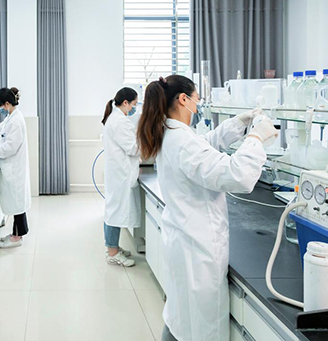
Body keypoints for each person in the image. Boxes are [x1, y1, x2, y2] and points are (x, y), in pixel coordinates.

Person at [136, 75, 278, 341]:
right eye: (197, 99)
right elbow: (238, 175)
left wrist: (240, 123)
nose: (198, 104)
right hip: (197, 249)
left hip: (183, 241)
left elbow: (206, 145)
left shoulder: (174, 133)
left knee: (181, 318)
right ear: (183, 99)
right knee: (201, 327)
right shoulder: (182, 141)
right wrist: (256, 138)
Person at [0, 87, 32, 249]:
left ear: (7, 104)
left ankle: (17, 237)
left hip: (14, 169)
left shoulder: (16, 121)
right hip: (10, 168)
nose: (0, 109)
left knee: (17, 205)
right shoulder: (10, 118)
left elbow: (11, 146)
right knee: (17, 204)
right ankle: (16, 234)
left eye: (1, 106)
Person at [101, 87, 140, 267]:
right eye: (134, 104)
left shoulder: (115, 118)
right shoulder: (120, 121)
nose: (134, 108)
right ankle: (112, 253)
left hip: (117, 172)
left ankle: (113, 247)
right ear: (125, 102)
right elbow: (133, 148)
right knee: (114, 212)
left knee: (113, 210)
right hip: (120, 174)